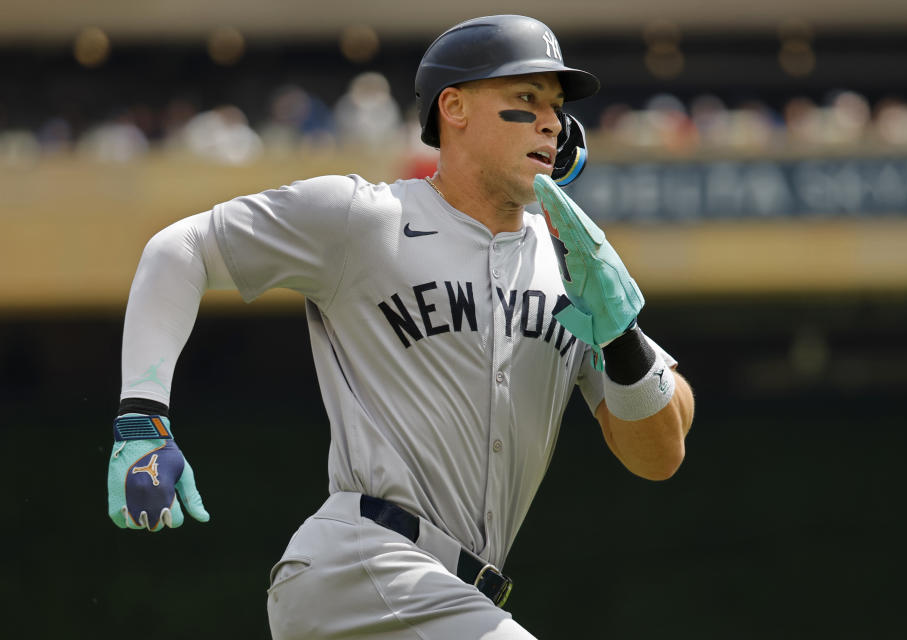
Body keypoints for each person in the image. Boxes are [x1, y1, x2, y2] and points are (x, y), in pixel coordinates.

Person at [107, 15, 695, 640]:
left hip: (452, 596)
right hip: (362, 565)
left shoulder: (574, 273)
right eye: (526, 99)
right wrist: (143, 415)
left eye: (556, 106)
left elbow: (659, 457)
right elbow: (181, 248)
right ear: (455, 106)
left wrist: (622, 336)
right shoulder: (366, 217)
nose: (551, 121)